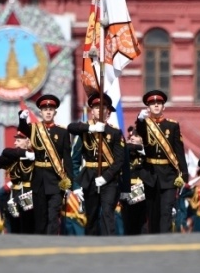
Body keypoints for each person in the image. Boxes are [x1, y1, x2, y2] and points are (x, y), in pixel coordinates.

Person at [66, 93, 125, 236]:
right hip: (89, 178)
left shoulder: (115, 133)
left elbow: (119, 160)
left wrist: (106, 177)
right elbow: (74, 159)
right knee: (91, 216)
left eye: (103, 108)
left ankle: (109, 244)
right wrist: (76, 186)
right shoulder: (85, 132)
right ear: (91, 111)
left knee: (107, 213)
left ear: (108, 111)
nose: (99, 110)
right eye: (96, 107)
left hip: (109, 180)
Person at [134, 89, 189, 234]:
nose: (156, 105)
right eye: (152, 103)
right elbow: (141, 132)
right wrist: (139, 119)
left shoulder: (172, 125)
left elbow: (179, 151)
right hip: (151, 174)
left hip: (169, 175)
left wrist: (184, 174)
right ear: (148, 107)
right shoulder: (145, 124)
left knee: (166, 211)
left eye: (159, 103)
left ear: (164, 106)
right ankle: (154, 240)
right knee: (152, 212)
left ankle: (165, 239)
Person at [17, 94, 73, 235]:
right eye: (45, 109)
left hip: (56, 180)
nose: (48, 112)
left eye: (51, 109)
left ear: (55, 112)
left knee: (53, 216)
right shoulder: (35, 129)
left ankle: (52, 243)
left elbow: (67, 158)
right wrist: (22, 117)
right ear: (40, 112)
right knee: (40, 218)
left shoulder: (63, 132)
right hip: (39, 179)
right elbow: (23, 129)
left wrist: (70, 183)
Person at [0, 131, 35, 234]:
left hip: (29, 193)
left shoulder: (33, 155)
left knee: (27, 222)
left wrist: (27, 153)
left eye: (18, 141)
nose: (15, 143)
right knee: (14, 222)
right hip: (14, 193)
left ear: (27, 141)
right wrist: (22, 153)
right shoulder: (13, 156)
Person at [120, 126, 147, 235]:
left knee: (142, 222)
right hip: (127, 189)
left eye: (136, 136)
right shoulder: (126, 150)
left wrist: (141, 148)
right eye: (131, 136)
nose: (132, 138)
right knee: (127, 222)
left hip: (142, 192)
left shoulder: (145, 152)